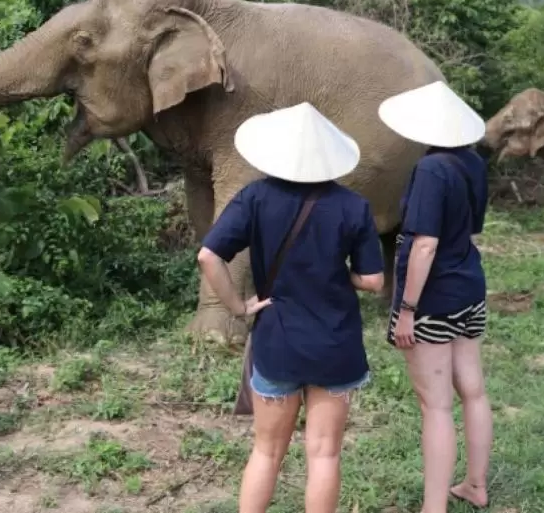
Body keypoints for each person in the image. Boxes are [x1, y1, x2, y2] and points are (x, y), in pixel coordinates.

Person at [196, 102, 385, 513]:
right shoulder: (354, 207)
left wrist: (238, 306)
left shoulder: (255, 198)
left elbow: (209, 257)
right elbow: (373, 281)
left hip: (277, 341)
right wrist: (341, 274)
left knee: (266, 452)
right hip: (336, 345)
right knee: (325, 455)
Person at [377, 80, 493, 512]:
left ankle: (433, 507)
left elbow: (424, 244)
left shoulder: (430, 170)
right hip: (469, 286)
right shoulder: (473, 163)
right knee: (474, 390)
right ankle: (475, 485)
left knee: (437, 405)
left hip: (434, 296)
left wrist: (406, 309)